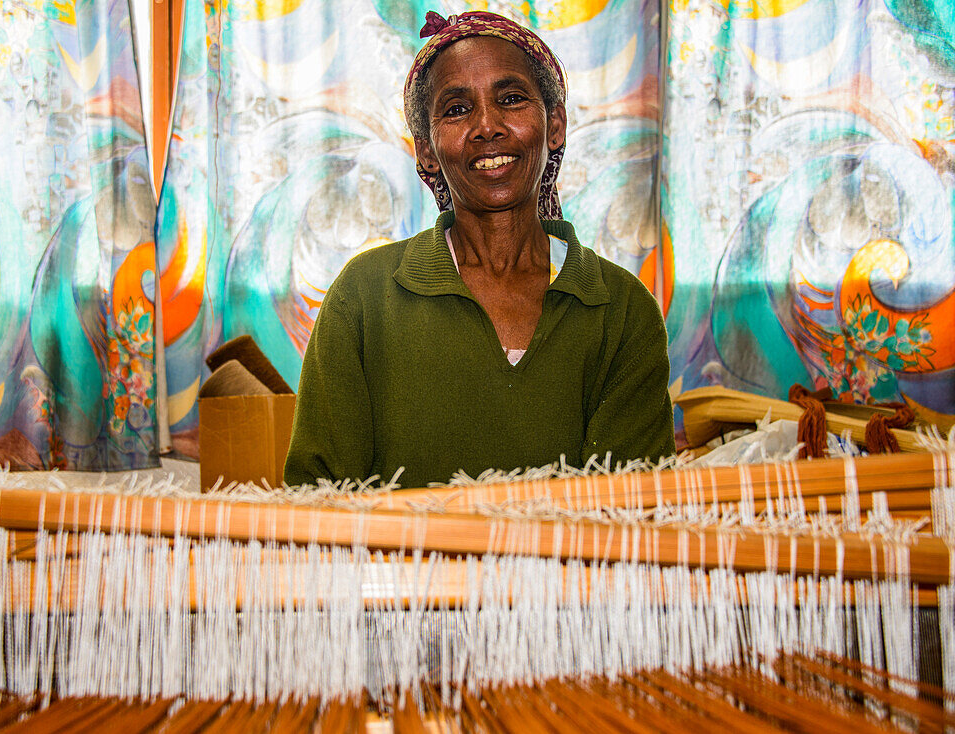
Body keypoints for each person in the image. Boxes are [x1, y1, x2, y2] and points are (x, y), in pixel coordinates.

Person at [283, 10, 674, 488]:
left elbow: (633, 515)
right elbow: (314, 502)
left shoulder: (622, 309)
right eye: (456, 109)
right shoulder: (364, 298)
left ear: (555, 126)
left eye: (511, 100)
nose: (487, 126)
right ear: (426, 150)